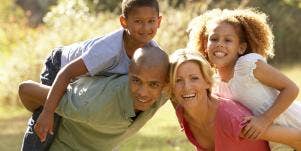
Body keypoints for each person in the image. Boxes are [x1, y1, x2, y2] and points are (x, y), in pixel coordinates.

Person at [21, 0, 162, 150]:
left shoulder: (152, 54)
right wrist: (47, 112)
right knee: (48, 120)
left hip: (90, 77)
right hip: (60, 66)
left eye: (151, 21)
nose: (146, 28)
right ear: (124, 22)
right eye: (138, 21)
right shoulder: (108, 50)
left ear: (159, 21)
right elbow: (66, 73)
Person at [187, 8, 301, 150]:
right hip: (280, 143)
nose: (220, 44)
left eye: (228, 40)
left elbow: (291, 89)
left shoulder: (247, 65)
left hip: (296, 123)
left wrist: (265, 119)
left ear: (241, 48)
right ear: (205, 46)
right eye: (214, 39)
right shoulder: (214, 83)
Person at [19, 47, 170, 150]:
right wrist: (47, 113)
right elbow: (26, 90)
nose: (143, 92)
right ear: (129, 73)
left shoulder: (172, 85)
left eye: (153, 84)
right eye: (136, 80)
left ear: (165, 83)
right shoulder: (90, 105)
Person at [169, 49, 301, 151]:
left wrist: (265, 120)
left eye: (194, 78)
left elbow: (298, 138)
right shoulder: (183, 113)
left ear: (208, 82)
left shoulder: (232, 119)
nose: (186, 87)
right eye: (178, 80)